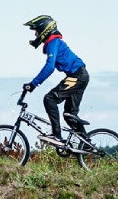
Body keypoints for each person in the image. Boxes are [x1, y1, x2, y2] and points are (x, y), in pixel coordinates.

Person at [22, 15, 89, 146]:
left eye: (36, 30)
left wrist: (33, 84)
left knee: (49, 99)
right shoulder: (54, 43)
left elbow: (50, 67)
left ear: (44, 30)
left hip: (77, 76)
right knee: (69, 115)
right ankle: (86, 144)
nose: (35, 34)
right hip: (80, 75)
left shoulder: (53, 43)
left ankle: (56, 135)